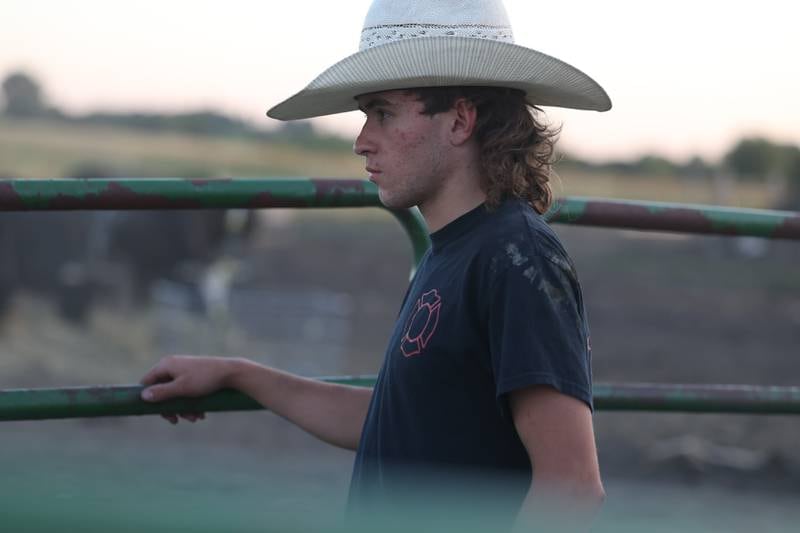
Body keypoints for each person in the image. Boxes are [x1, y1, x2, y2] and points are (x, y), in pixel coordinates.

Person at [140, 0, 610, 528]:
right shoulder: (457, 251)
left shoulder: (517, 258)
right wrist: (238, 373)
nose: (363, 141)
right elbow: (398, 422)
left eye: (383, 113)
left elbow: (570, 486)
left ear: (459, 120)